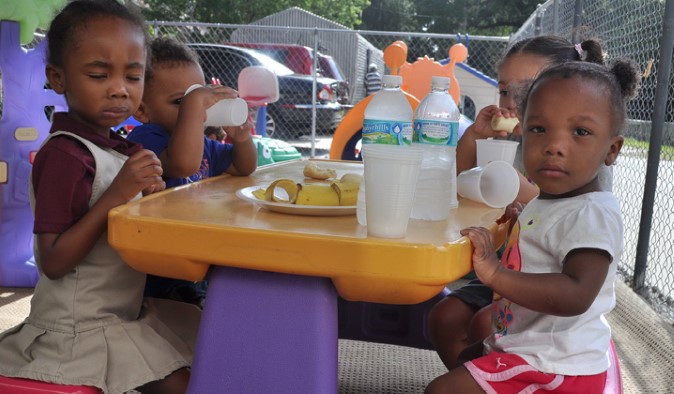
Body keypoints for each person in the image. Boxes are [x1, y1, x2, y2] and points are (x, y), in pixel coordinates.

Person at [0, 1, 201, 393]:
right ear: (58, 79)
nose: (119, 89)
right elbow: (54, 261)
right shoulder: (64, 154)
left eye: (133, 75)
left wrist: (145, 197)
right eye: (98, 74)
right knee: (184, 384)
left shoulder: (115, 147)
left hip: (119, 311)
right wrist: (118, 195)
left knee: (205, 329)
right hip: (78, 330)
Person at [426, 58, 640, 393]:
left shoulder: (592, 214)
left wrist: (495, 273)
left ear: (611, 150)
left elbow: (576, 294)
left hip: (557, 367)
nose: (554, 145)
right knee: (467, 360)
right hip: (529, 347)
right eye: (539, 129)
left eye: (580, 132)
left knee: (442, 391)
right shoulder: (551, 200)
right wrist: (521, 221)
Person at [128, 37, 257, 307]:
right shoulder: (146, 138)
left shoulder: (204, 144)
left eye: (198, 97)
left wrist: (242, 138)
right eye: (181, 102)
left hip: (195, 257)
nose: (195, 109)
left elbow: (243, 167)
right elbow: (182, 164)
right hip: (159, 276)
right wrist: (195, 108)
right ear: (142, 110)